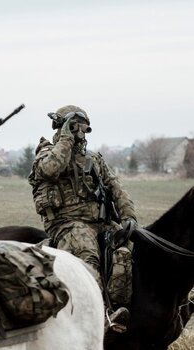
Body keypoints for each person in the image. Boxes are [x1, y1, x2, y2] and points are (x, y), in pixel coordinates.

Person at [28, 105, 137, 333]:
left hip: (99, 222)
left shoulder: (93, 158)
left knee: (127, 251)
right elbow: (49, 170)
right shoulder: (47, 154)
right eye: (74, 126)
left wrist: (128, 216)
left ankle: (123, 307)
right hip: (68, 224)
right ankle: (98, 316)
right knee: (87, 253)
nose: (81, 132)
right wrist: (65, 138)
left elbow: (116, 187)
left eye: (83, 126)